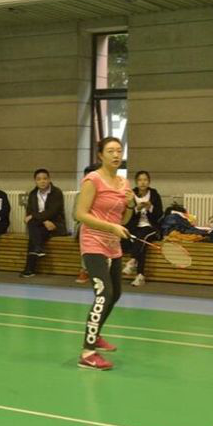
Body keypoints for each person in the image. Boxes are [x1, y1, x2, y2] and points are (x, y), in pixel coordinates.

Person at [75, 137, 133, 371]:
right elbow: (80, 214)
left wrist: (130, 205)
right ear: (100, 155)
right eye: (110, 151)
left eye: (119, 150)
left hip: (113, 245)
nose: (116, 155)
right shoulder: (93, 180)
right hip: (93, 243)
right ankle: (87, 353)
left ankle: (95, 333)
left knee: (115, 293)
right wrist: (111, 227)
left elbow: (123, 219)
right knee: (104, 294)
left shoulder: (123, 183)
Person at [20, 169, 67, 278]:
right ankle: (38, 248)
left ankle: (29, 269)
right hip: (39, 225)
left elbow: (52, 212)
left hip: (54, 225)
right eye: (39, 179)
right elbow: (29, 212)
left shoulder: (56, 192)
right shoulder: (33, 194)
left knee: (34, 233)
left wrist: (35, 217)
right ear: (35, 181)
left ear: (49, 179)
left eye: (45, 178)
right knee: (34, 229)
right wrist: (41, 220)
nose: (42, 181)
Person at [122, 170, 163, 287]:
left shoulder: (154, 194)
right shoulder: (131, 194)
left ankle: (133, 261)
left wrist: (150, 208)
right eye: (140, 180)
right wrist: (136, 209)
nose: (143, 182)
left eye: (145, 180)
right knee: (141, 243)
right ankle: (140, 276)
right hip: (135, 228)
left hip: (151, 227)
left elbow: (159, 214)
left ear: (149, 181)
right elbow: (126, 214)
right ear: (136, 182)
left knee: (141, 237)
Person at [74, 164, 98, 284]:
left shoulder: (103, 196)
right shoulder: (80, 195)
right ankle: (84, 269)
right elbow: (75, 215)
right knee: (86, 231)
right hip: (84, 225)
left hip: (100, 226)